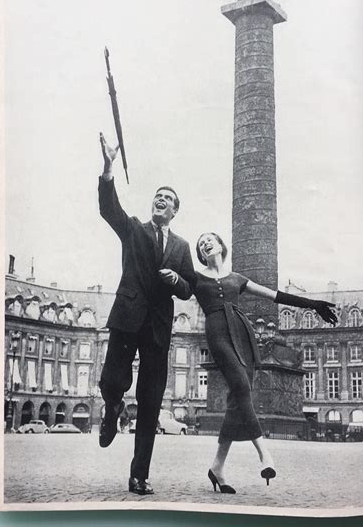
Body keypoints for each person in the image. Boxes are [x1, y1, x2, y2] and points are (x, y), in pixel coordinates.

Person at [193, 232, 337, 494]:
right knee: (241, 386)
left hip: (242, 333)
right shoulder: (196, 276)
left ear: (221, 246)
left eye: (210, 239)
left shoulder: (237, 278)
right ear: (200, 253)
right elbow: (177, 286)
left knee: (237, 398)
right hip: (217, 334)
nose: (206, 243)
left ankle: (217, 467)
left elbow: (275, 296)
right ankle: (264, 454)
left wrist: (312, 304)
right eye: (201, 243)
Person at [97, 132, 194, 496]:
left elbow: (188, 287)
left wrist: (176, 280)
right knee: (111, 381)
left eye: (167, 199)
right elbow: (109, 210)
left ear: (174, 211)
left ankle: (139, 474)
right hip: (127, 315)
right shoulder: (135, 228)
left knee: (151, 402)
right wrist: (108, 166)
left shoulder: (182, 246)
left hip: (157, 328)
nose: (161, 201)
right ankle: (112, 408)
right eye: (158, 196)